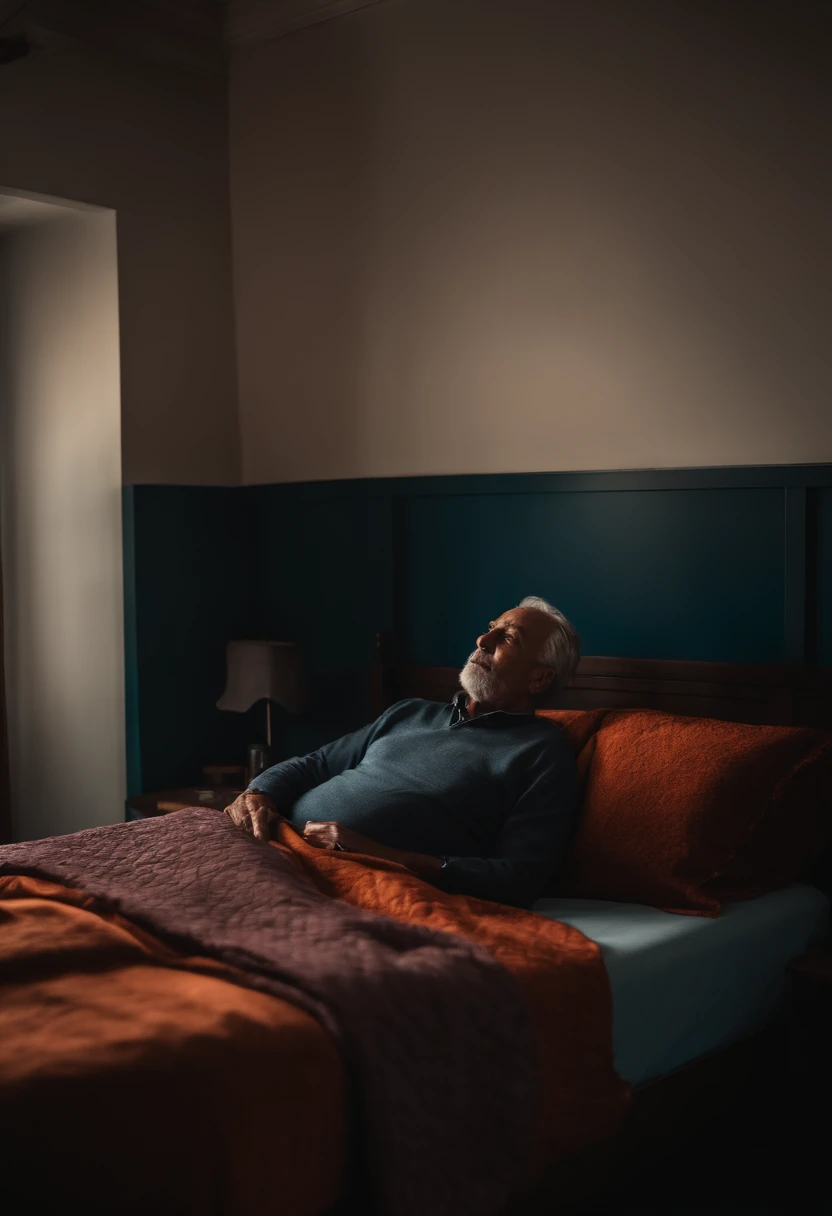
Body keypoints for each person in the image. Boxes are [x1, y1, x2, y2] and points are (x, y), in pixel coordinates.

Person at [224, 596, 581, 909]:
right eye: (491, 628)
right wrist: (258, 792)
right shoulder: (409, 711)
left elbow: (517, 878)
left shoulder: (541, 753)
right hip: (274, 845)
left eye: (509, 638)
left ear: (539, 679)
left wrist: (374, 853)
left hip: (358, 881)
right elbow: (315, 764)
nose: (482, 640)